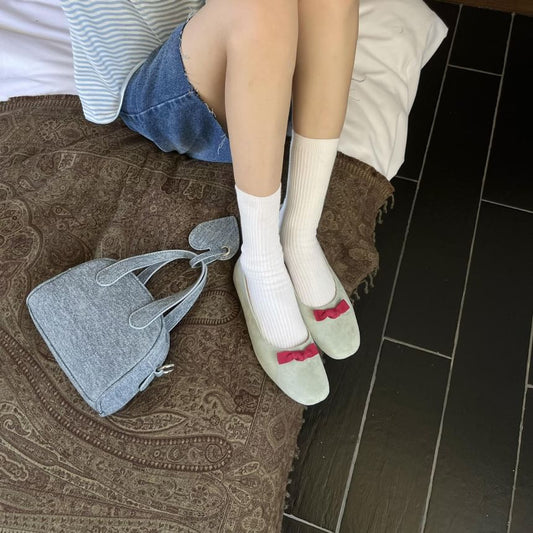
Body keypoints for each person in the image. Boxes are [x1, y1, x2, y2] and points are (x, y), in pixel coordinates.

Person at [59, 0, 361, 405]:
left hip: (262, 66)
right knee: (259, 7)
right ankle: (261, 264)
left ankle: (299, 233)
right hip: (172, 82)